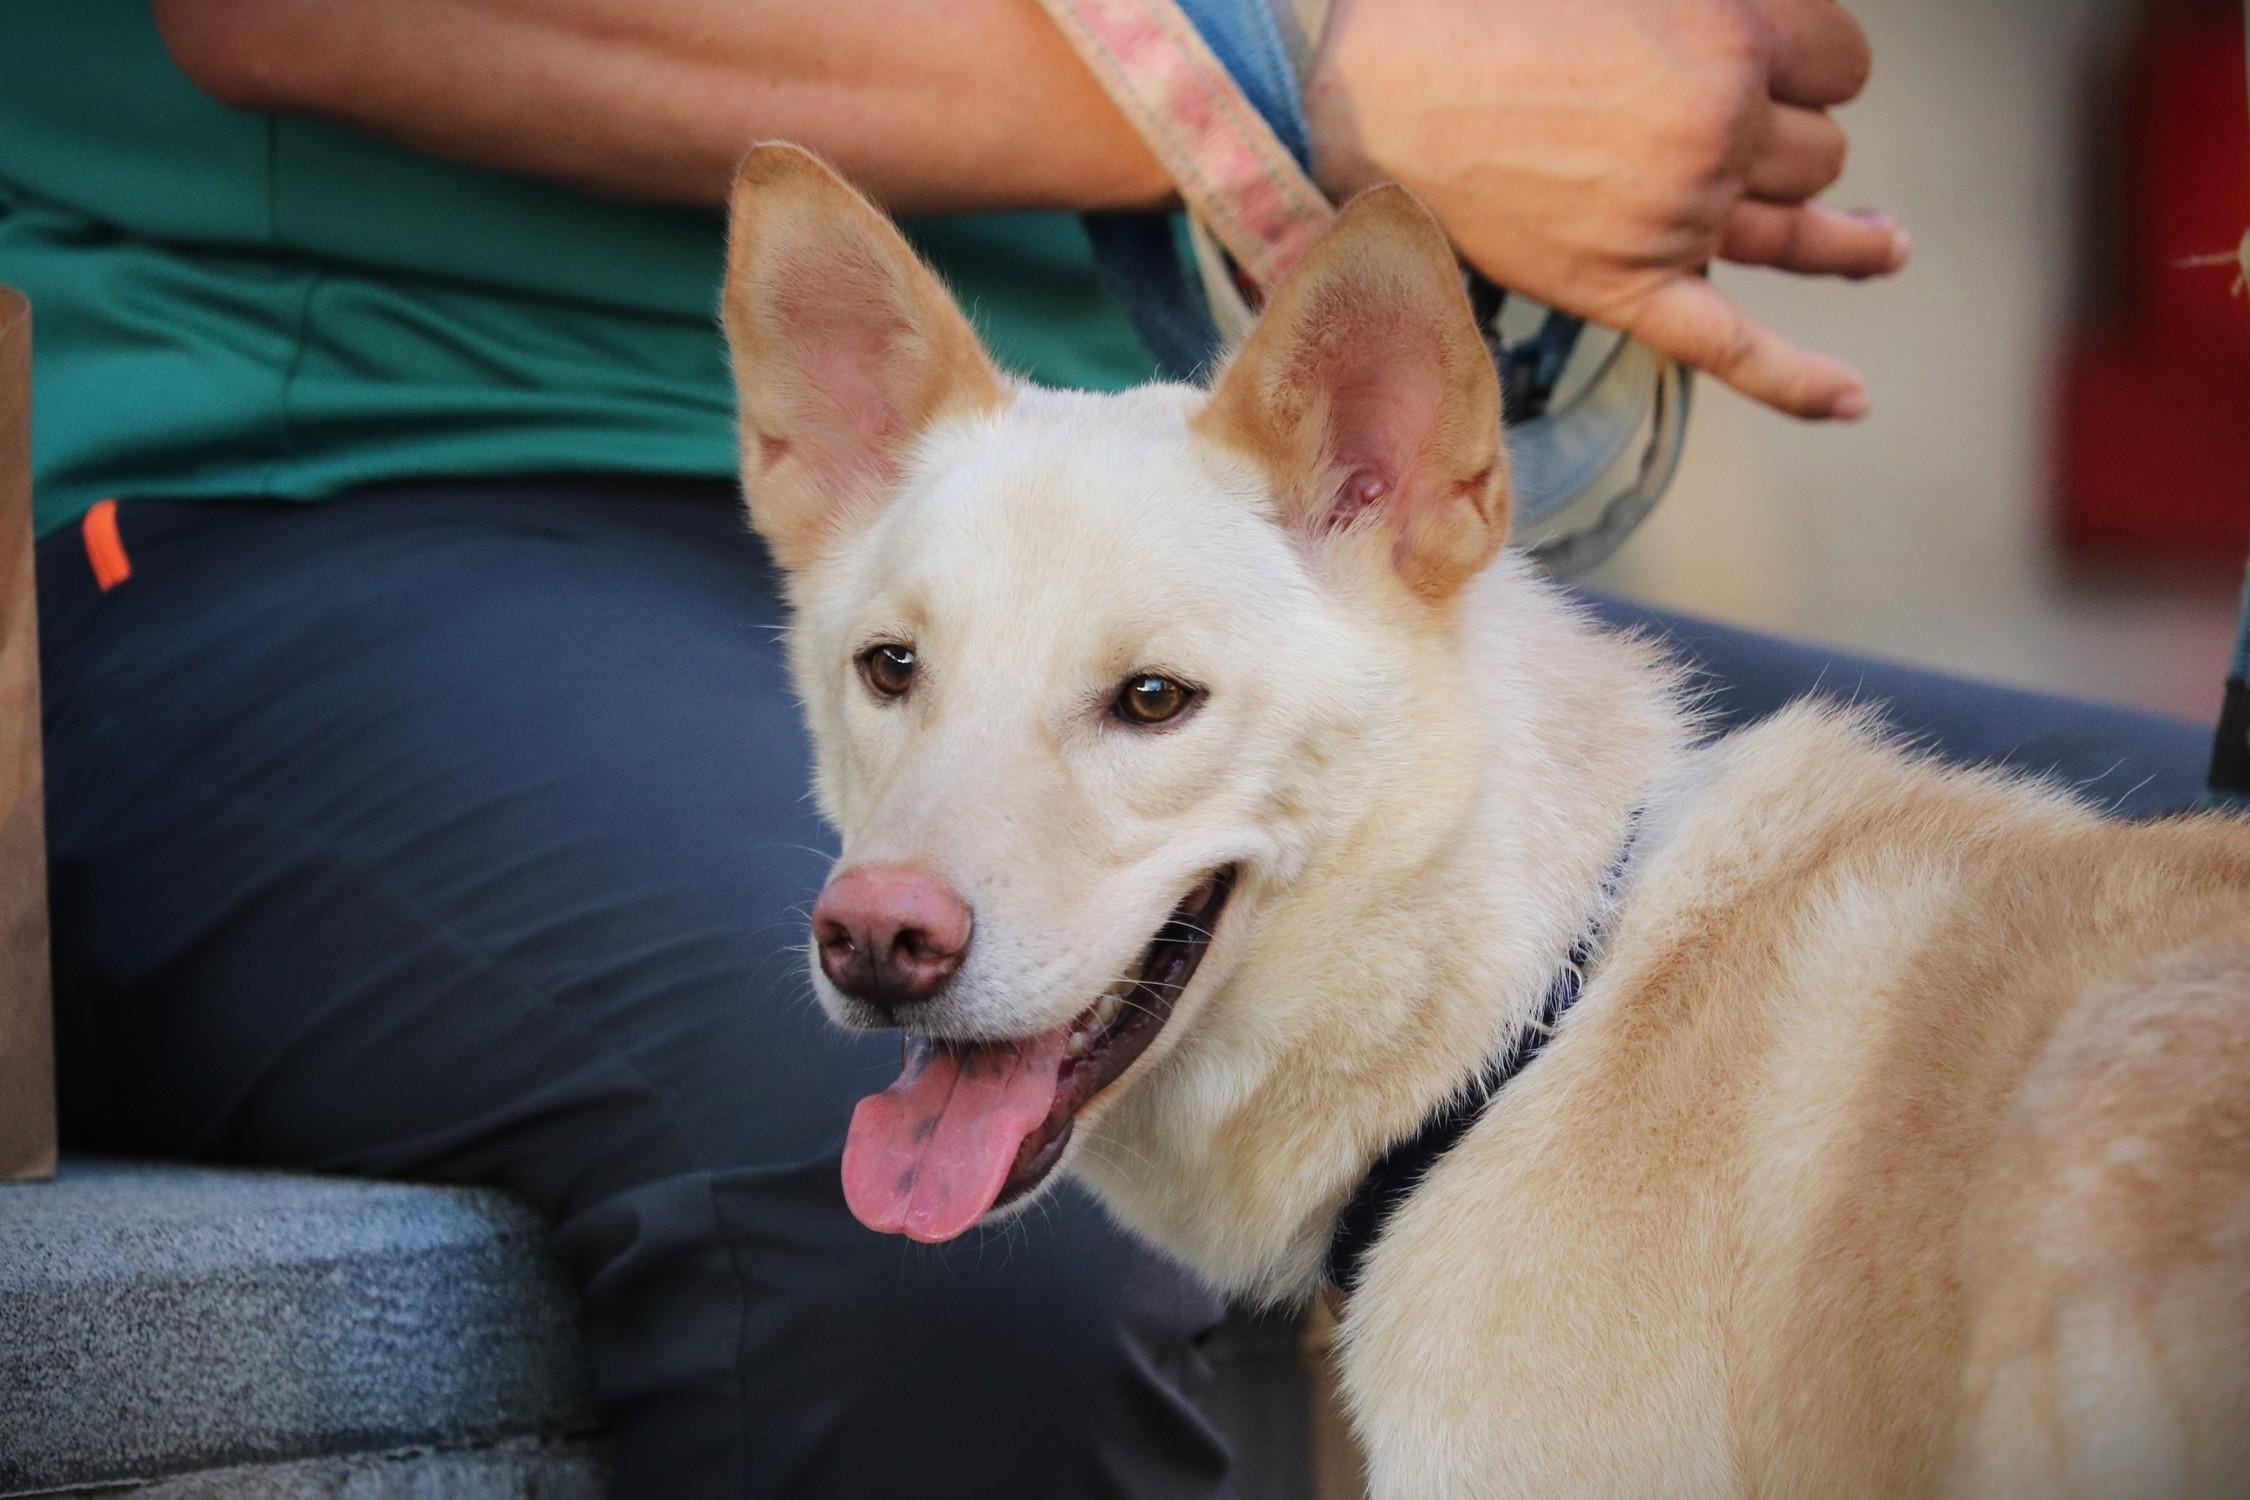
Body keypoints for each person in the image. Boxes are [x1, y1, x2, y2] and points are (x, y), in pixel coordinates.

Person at [7, 2, 2206, 1495]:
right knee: (933, 1230)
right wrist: (1307, 84)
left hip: (1150, 490)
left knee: (2180, 864)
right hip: (340, 485)